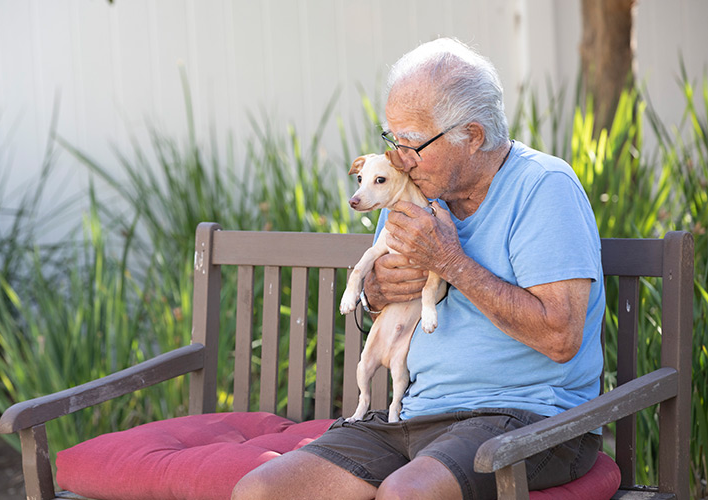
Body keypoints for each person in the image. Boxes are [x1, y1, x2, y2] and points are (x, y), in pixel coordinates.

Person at [232, 37, 605, 500]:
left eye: (411, 143)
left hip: (525, 419)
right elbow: (380, 299)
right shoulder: (412, 190)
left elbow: (560, 336)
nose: (396, 157)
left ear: (472, 136)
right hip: (409, 414)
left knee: (407, 494)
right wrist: (375, 290)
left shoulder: (544, 189)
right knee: (262, 492)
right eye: (393, 140)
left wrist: (450, 261)